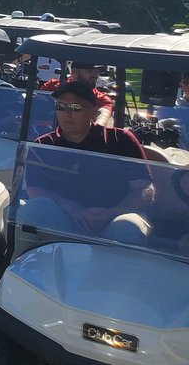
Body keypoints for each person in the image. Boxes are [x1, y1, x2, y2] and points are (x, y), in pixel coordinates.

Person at [20, 80, 154, 245]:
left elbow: (144, 188)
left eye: (75, 108)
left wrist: (112, 212)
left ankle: (120, 270)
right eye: (61, 107)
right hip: (65, 219)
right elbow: (36, 189)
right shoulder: (43, 145)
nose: (66, 113)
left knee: (127, 227)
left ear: (94, 111)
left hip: (117, 216)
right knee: (33, 208)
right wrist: (71, 207)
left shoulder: (121, 140)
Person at [39, 61, 113, 122]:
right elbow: (35, 103)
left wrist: (98, 126)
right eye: (89, 70)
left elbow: (103, 114)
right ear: (74, 72)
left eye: (97, 72)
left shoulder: (101, 98)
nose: (95, 75)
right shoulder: (52, 86)